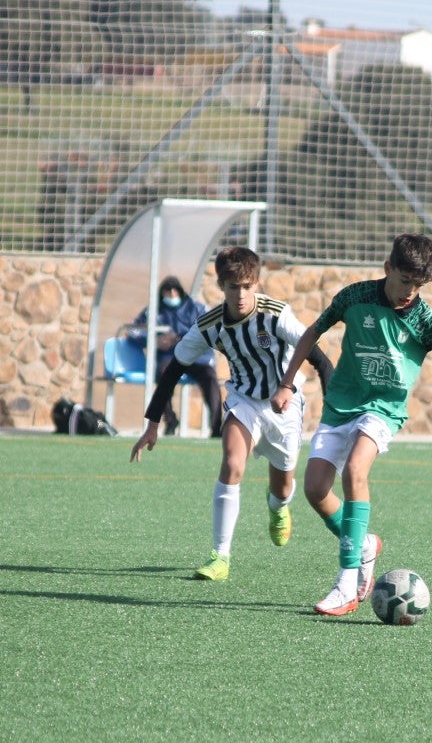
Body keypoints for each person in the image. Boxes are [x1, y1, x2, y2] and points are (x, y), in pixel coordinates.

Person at [270, 233, 432, 617]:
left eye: (418, 284)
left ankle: (346, 584)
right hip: (341, 403)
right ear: (388, 268)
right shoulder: (354, 297)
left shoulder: (425, 320)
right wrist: (286, 382)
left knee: (356, 470)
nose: (410, 291)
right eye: (405, 280)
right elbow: (312, 333)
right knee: (314, 490)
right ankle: (364, 547)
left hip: (384, 408)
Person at [129, 247, 333, 581]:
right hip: (244, 399)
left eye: (247, 286)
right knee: (232, 464)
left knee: (282, 487)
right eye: (233, 286)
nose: (241, 294)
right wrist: (152, 425)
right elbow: (173, 370)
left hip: (284, 402)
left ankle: (278, 508)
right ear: (221, 286)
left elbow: (320, 359)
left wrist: (330, 408)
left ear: (257, 284)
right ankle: (220, 557)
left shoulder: (276, 315)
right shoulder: (208, 325)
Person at [127, 276, 222, 437]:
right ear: (161, 293)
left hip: (196, 357)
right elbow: (133, 331)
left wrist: (179, 337)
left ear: (180, 291)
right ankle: (170, 420)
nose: (171, 293)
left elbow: (210, 330)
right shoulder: (154, 310)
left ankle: (217, 427)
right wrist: (154, 340)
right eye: (167, 290)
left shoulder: (196, 308)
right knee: (164, 375)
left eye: (174, 289)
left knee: (210, 377)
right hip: (170, 358)